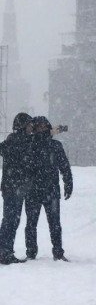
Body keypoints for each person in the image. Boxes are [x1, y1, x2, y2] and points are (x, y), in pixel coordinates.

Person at [25, 117, 73, 261]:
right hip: (33, 191)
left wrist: (68, 182)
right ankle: (31, 252)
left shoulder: (54, 145)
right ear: (34, 129)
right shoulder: (29, 144)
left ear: (47, 127)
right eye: (38, 126)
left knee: (54, 224)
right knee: (31, 224)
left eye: (43, 126)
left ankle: (58, 252)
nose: (41, 129)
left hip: (50, 190)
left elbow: (64, 166)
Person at [0, 113, 34, 265]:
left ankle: (5, 250)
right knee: (11, 220)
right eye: (29, 124)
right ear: (22, 125)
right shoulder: (22, 141)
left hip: (11, 186)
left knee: (10, 219)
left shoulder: (11, 140)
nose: (31, 127)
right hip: (15, 187)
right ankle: (5, 252)